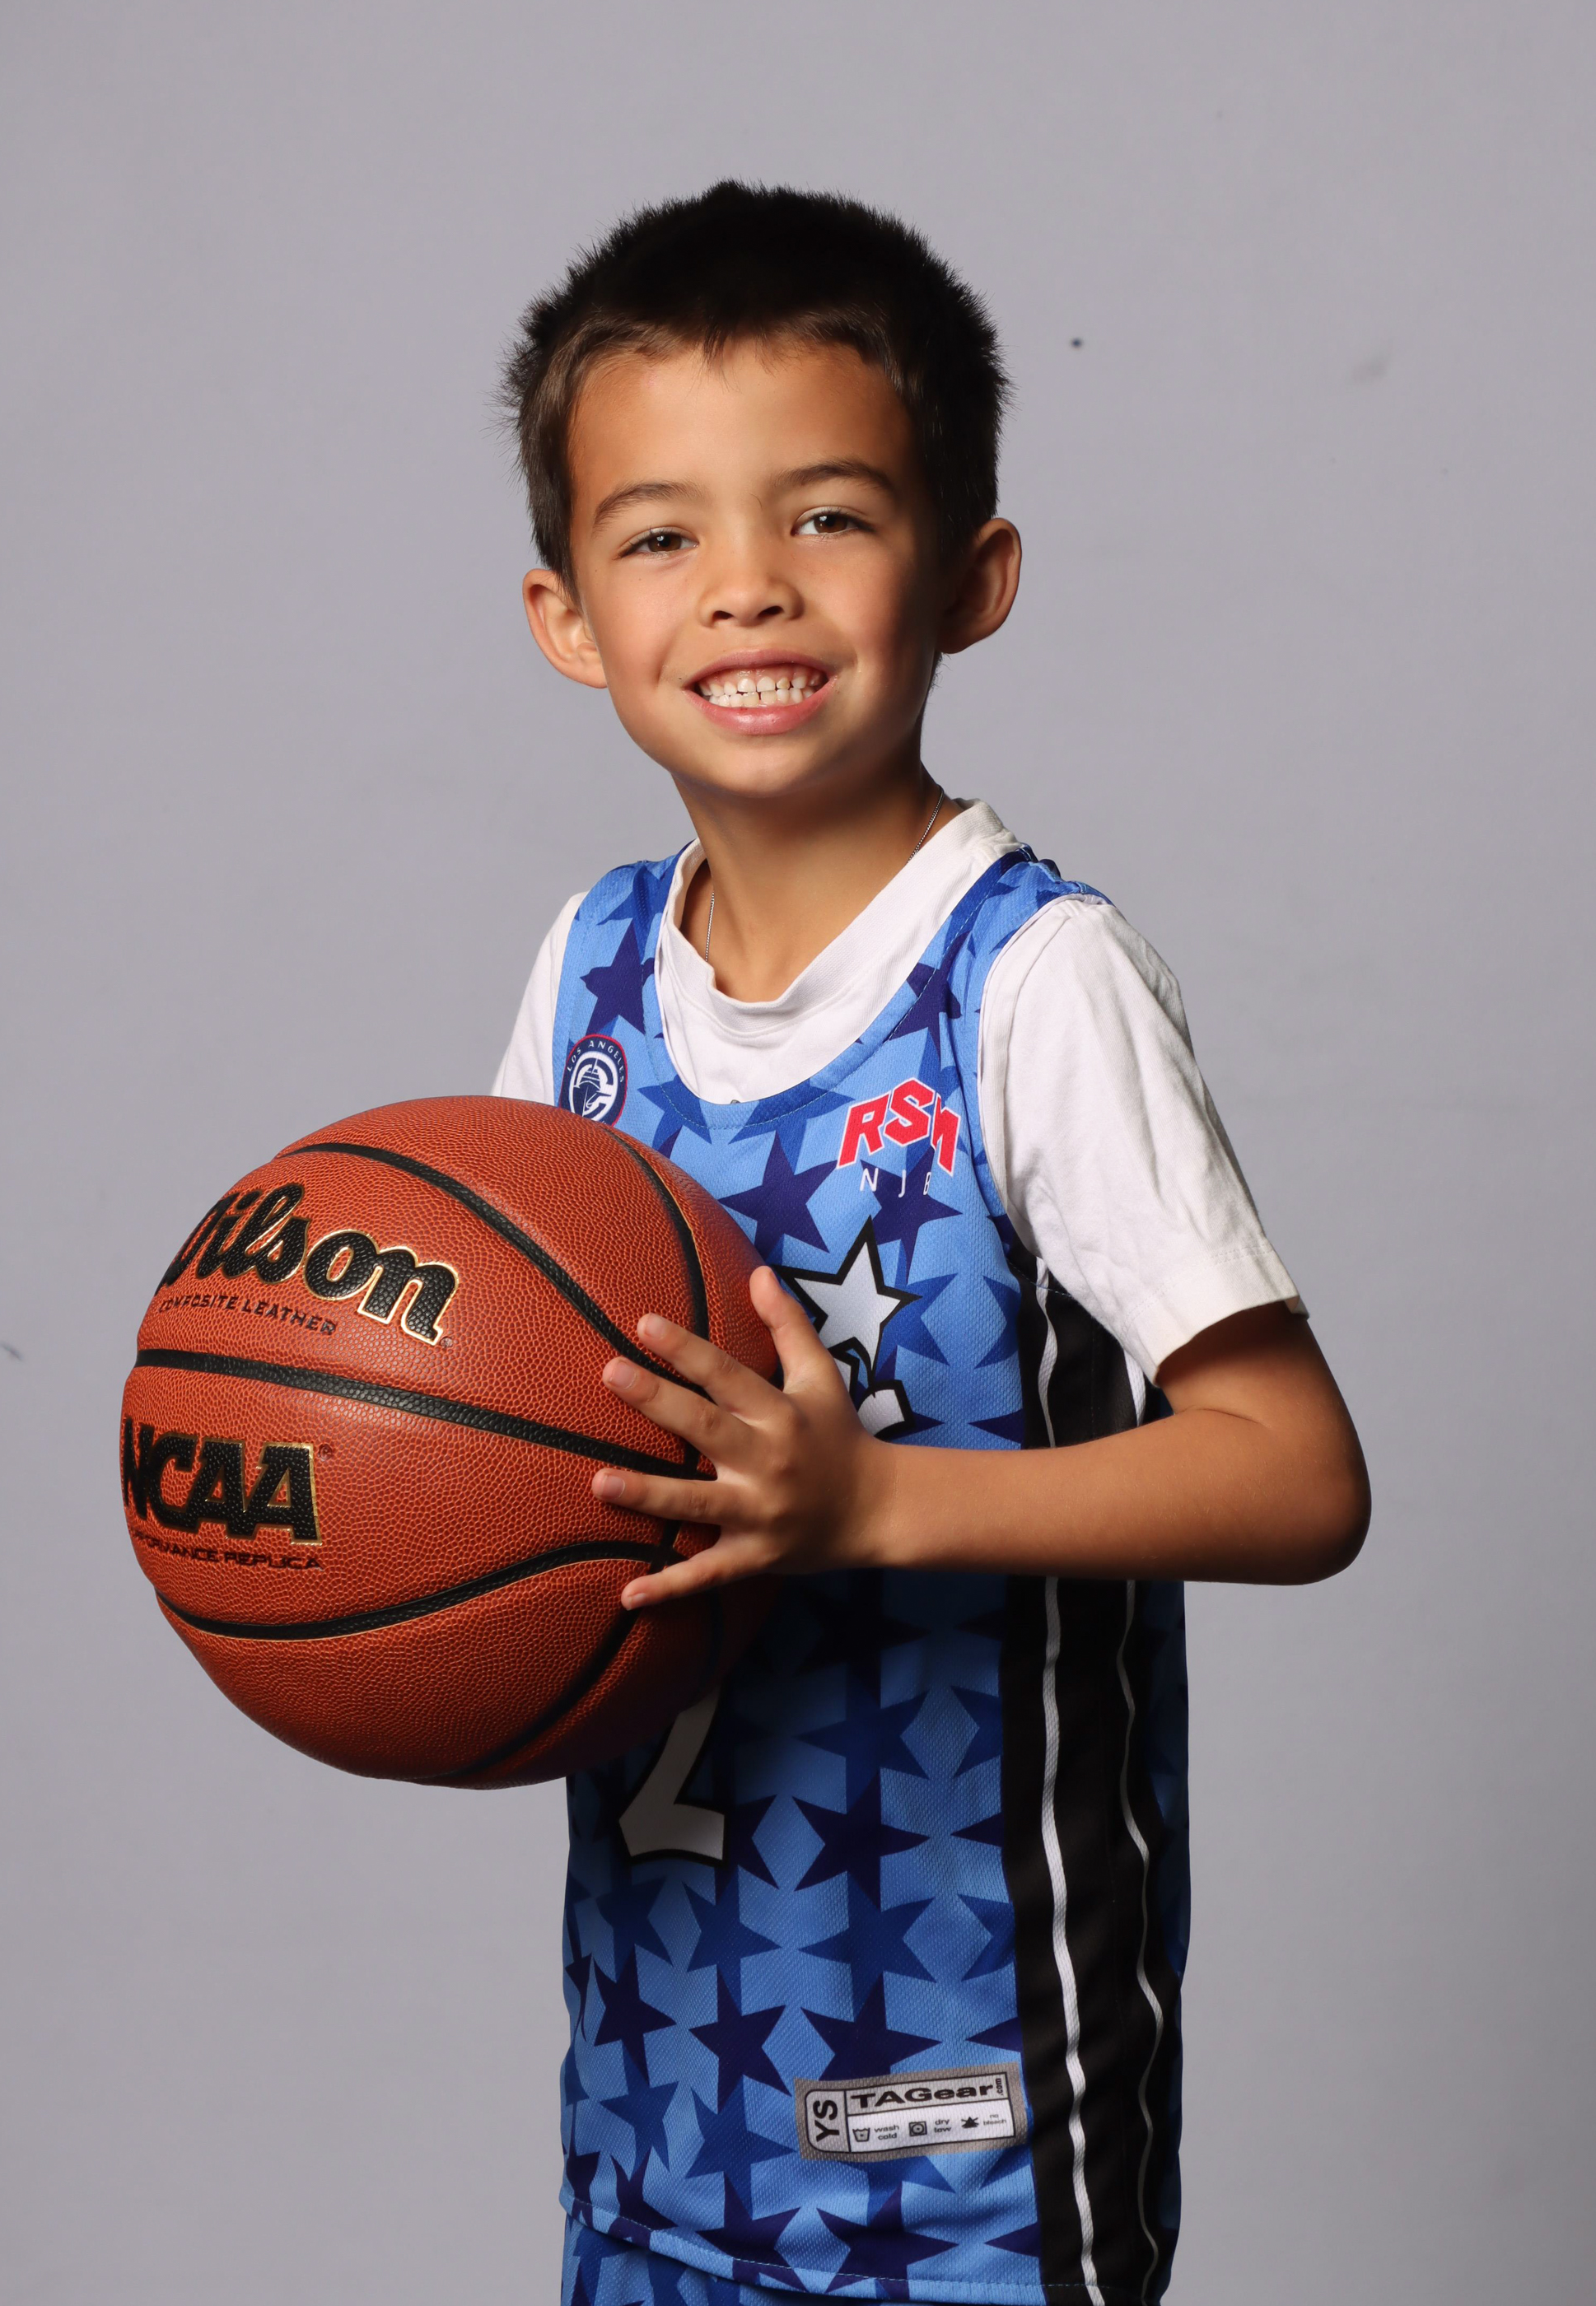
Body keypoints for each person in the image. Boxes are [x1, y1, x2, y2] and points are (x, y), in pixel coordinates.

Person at [492, 181, 1368, 2306]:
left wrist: (871, 1503)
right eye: (661, 536)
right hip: (657, 2090)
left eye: (828, 516)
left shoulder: (1030, 981)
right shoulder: (590, 972)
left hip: (965, 2116)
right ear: (567, 618)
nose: (748, 585)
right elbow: (511, 1429)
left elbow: (1297, 1475)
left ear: (971, 577)